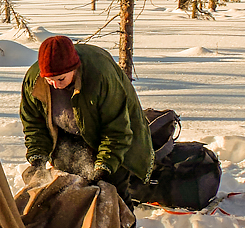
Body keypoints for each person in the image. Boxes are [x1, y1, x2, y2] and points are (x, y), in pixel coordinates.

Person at [19, 35, 154, 207]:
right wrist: (38, 158)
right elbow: (34, 125)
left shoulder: (100, 77)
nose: (55, 85)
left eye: (61, 79)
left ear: (74, 69)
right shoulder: (34, 81)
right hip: (67, 134)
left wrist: (103, 169)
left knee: (113, 194)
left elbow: (116, 130)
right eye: (49, 80)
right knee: (67, 192)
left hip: (111, 135)